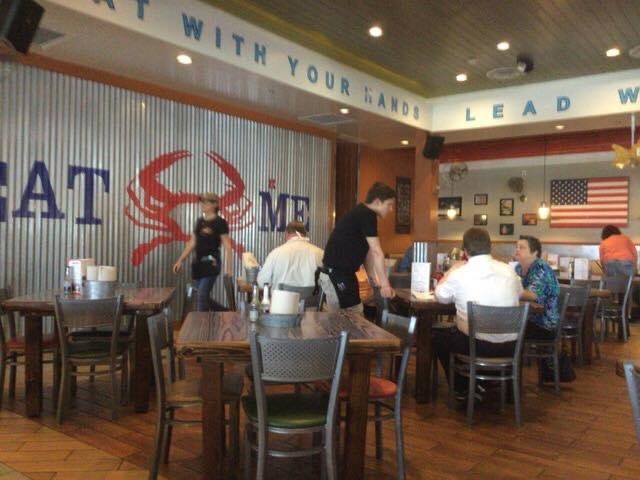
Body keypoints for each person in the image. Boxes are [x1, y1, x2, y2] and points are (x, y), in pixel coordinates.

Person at [434, 228, 523, 394]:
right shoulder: (509, 271)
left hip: (477, 347)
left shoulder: (459, 273)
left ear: (465, 251)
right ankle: (496, 386)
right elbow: (519, 293)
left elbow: (440, 296)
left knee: (438, 336)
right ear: (490, 247)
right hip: (511, 347)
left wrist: (451, 270)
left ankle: (464, 389)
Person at [319, 182, 396, 312]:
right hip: (337, 274)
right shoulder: (367, 214)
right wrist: (385, 285)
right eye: (389, 204)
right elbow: (377, 251)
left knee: (354, 314)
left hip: (343, 274)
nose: (391, 209)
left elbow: (369, 251)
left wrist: (371, 277)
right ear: (377, 202)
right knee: (352, 316)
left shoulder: (363, 213)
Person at [173, 192, 232, 311]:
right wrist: (180, 260)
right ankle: (225, 312)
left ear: (214, 204)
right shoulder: (200, 222)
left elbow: (227, 246)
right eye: (202, 202)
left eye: (206, 202)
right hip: (198, 265)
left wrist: (228, 267)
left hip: (212, 263)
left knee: (201, 296)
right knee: (201, 296)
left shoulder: (220, 222)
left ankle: (202, 322)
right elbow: (192, 242)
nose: (202, 204)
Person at [514, 235, 560, 340]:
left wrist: (507, 291)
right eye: (516, 247)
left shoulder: (541, 267)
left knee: (504, 327)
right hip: (526, 318)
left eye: (522, 247)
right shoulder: (518, 268)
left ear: (534, 252)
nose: (517, 249)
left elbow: (532, 295)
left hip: (544, 324)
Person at [256, 220, 324, 289]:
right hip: (312, 296)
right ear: (305, 234)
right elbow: (327, 284)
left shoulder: (276, 253)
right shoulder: (320, 253)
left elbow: (262, 282)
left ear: (286, 233)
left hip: (282, 296)